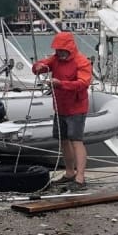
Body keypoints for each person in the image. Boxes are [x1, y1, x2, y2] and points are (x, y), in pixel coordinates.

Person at [31, 32, 93, 190]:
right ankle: (70, 172)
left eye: (61, 50)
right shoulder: (56, 59)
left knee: (76, 140)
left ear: (69, 48)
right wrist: (38, 66)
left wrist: (61, 84)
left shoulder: (82, 62)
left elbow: (83, 83)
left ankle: (80, 177)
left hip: (76, 107)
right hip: (60, 106)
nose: (59, 53)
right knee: (63, 140)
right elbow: (41, 64)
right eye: (57, 50)